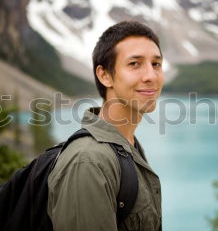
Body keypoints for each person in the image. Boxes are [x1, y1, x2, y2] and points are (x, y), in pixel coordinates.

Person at [47, 21, 164, 231]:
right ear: (105, 76)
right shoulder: (88, 161)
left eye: (156, 64)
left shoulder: (128, 146)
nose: (151, 76)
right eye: (135, 64)